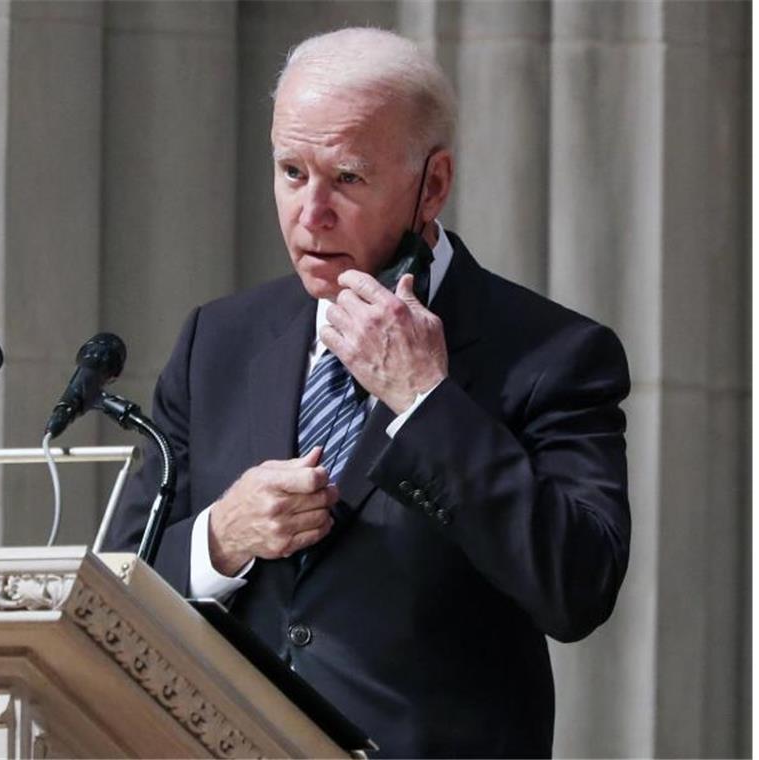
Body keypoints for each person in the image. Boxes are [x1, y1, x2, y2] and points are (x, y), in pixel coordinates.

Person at [103, 27, 630, 759]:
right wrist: (220, 539)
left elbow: (579, 587)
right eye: (291, 171)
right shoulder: (215, 343)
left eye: (347, 178)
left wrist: (427, 403)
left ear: (432, 184)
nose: (310, 212)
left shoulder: (555, 354)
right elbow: (117, 578)